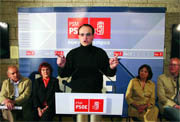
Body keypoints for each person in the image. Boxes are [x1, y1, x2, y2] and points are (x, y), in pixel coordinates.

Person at [56, 24, 119, 122]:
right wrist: (62, 66)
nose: (85, 37)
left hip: (96, 95)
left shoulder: (100, 53)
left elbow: (109, 73)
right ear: (78, 37)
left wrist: (111, 67)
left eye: (88, 34)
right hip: (77, 96)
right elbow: (64, 74)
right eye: (82, 34)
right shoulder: (73, 54)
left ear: (93, 36)